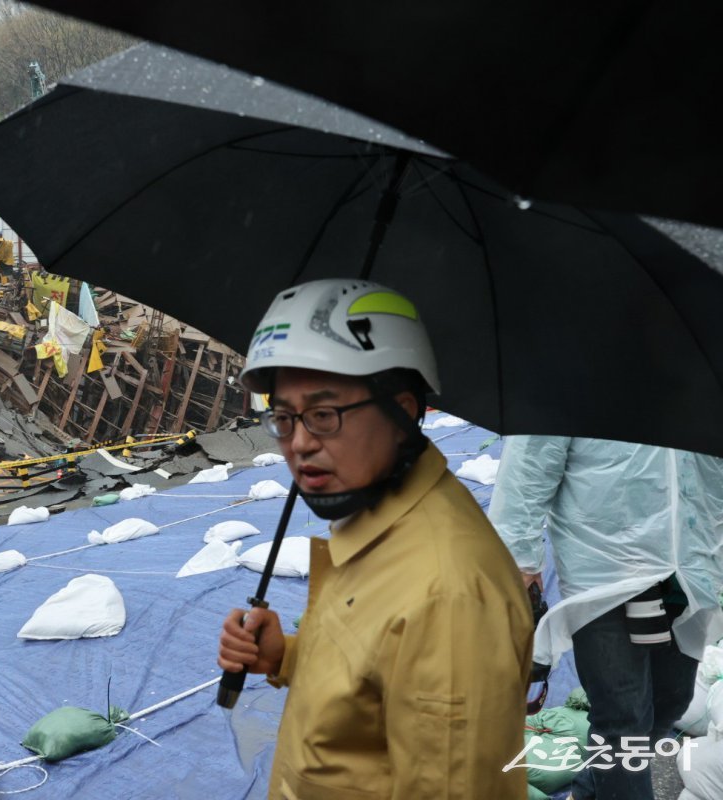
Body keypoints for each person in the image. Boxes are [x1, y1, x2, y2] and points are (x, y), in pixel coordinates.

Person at [217, 279, 533, 800]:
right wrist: (285, 657)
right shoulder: (376, 520)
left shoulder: (447, 594)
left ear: (403, 411)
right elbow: (378, 682)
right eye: (284, 417)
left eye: (323, 415)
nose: (299, 443)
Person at [489, 436, 723, 800]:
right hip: (603, 562)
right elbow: (531, 458)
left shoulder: (702, 382)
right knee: (623, 718)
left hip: (688, 563)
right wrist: (518, 555)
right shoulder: (582, 379)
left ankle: (586, 792)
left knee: (670, 700)